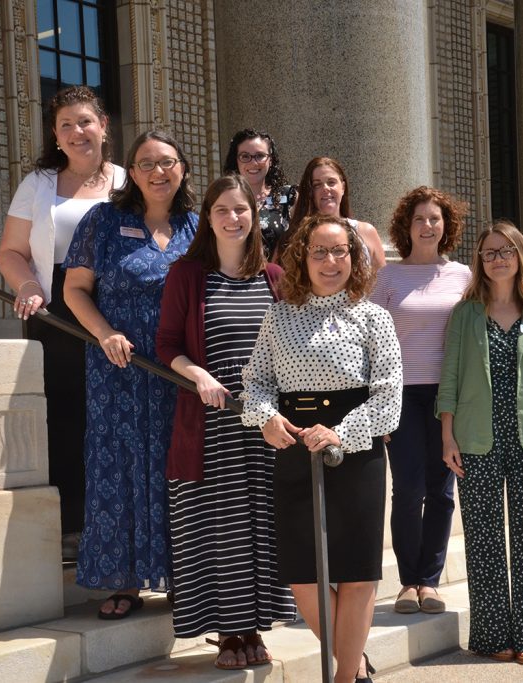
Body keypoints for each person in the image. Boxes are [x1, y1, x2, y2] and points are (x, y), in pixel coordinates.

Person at [242, 214, 403, 683]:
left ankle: (344, 677)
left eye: (340, 252)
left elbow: (389, 395)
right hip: (294, 446)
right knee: (303, 576)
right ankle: (353, 666)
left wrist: (341, 434)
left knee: (356, 574)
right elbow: (255, 383)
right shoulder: (278, 315)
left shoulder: (375, 317)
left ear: (355, 259)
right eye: (320, 252)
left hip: (357, 451)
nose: (330, 261)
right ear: (301, 257)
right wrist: (265, 417)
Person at [156, 174, 296, 669]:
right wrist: (199, 376)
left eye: (241, 210)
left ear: (254, 216)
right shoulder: (187, 274)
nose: (233, 218)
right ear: (207, 218)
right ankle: (231, 632)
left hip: (265, 426)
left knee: (263, 527)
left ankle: (255, 627)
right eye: (222, 210)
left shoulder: (275, 277)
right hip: (211, 426)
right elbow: (167, 344)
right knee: (222, 529)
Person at [63, 130, 198, 619]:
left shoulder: (197, 227)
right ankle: (122, 582)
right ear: (131, 172)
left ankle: (183, 576)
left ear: (182, 168)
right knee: (117, 464)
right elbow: (75, 289)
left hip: (176, 370)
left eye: (167, 162)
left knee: (175, 468)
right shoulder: (103, 220)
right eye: (146, 163)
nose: (157, 172)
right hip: (116, 367)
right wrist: (104, 333)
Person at [0, 85, 125, 560]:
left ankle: (118, 525)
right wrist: (27, 285)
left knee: (115, 418)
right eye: (66, 125)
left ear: (103, 125)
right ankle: (73, 529)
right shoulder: (37, 184)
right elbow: (9, 251)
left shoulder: (128, 183)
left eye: (85, 122)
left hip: (116, 308)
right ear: (55, 134)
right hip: (55, 311)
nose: (76, 132)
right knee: (67, 417)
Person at [436, 219, 523, 665]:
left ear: (519, 256)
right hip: (476, 439)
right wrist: (447, 433)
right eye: (488, 253)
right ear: (480, 261)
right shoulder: (465, 313)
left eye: (505, 251)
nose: (497, 259)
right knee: (485, 539)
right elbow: (449, 376)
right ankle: (493, 637)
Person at [369, 186, 471, 616]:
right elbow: (370, 339)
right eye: (419, 219)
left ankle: (430, 581)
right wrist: (377, 402)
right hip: (401, 395)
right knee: (408, 491)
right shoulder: (388, 277)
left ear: (445, 226)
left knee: (442, 491)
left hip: (449, 396)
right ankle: (408, 581)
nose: (427, 226)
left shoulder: (464, 276)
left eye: (434, 218)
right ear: (405, 227)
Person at [284, 157, 387, 271]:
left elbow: (385, 284)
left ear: (343, 187)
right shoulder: (295, 238)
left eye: (331, 182)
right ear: (310, 192)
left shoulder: (366, 232)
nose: (325, 188)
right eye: (317, 185)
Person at [222, 129, 296, 260]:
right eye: (245, 156)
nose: (253, 162)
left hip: (280, 278)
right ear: (236, 161)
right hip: (236, 278)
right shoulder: (223, 200)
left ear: (271, 160)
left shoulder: (289, 197)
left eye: (260, 156)